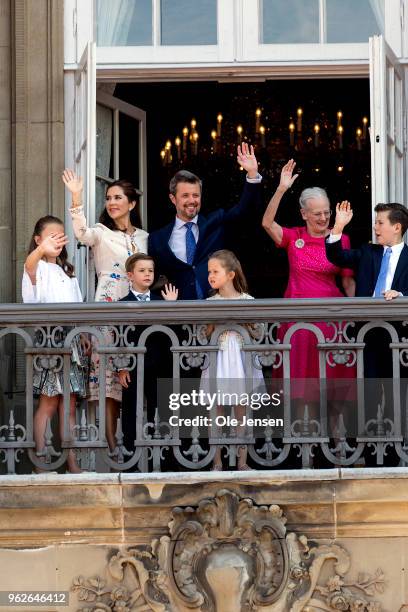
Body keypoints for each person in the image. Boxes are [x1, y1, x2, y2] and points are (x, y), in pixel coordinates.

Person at [62, 170, 148, 451]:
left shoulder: (146, 238)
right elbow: (81, 233)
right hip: (109, 311)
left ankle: (138, 446)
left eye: (118, 197)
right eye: (109, 198)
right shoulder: (100, 233)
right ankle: (113, 451)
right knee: (110, 385)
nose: (112, 202)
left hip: (138, 311)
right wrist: (76, 196)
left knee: (136, 378)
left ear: (131, 204)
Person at [261, 159, 356, 405]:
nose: (324, 217)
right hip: (297, 318)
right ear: (304, 214)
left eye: (327, 212)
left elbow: (348, 283)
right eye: (317, 213)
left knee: (334, 384)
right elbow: (267, 224)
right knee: (300, 384)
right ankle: (301, 440)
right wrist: (281, 188)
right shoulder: (295, 237)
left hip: (332, 318)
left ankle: (336, 440)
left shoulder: (340, 239)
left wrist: (358, 311)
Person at [148, 143, 262, 300]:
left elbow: (244, 211)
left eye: (196, 195)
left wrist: (252, 174)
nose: (192, 200)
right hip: (179, 314)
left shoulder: (215, 222)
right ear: (173, 199)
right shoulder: (157, 239)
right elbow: (150, 280)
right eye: (185, 195)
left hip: (217, 309)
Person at [22, 215, 88, 473]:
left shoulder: (67, 270)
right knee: (48, 402)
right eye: (52, 236)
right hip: (50, 339)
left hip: (71, 338)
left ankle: (72, 464)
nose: (58, 240)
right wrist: (40, 251)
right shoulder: (35, 266)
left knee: (69, 404)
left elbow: (77, 307)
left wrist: (83, 334)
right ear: (38, 240)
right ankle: (41, 463)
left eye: (61, 236)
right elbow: (29, 266)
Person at [326, 201, 408, 379]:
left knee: (398, 391)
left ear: (397, 227)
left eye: (380, 222)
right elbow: (336, 256)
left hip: (399, 334)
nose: (375, 227)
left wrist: (401, 296)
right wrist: (338, 227)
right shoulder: (368, 251)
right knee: (369, 392)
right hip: (367, 331)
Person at [200, 250, 264, 471]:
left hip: (240, 357)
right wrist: (211, 321)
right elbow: (202, 335)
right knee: (216, 410)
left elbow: (259, 332)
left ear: (230, 275)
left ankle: (242, 461)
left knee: (241, 412)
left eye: (215, 271)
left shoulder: (248, 301)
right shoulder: (209, 302)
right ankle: (217, 461)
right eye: (209, 272)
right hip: (219, 356)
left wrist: (246, 322)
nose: (210, 275)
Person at [117, 253, 178, 456]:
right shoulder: (122, 303)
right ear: (130, 275)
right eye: (142, 271)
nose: (147, 274)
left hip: (159, 363)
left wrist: (171, 307)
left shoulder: (162, 301)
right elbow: (120, 337)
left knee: (160, 409)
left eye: (150, 271)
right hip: (133, 365)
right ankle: (130, 458)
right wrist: (122, 367)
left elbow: (172, 335)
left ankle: (161, 458)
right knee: (130, 411)